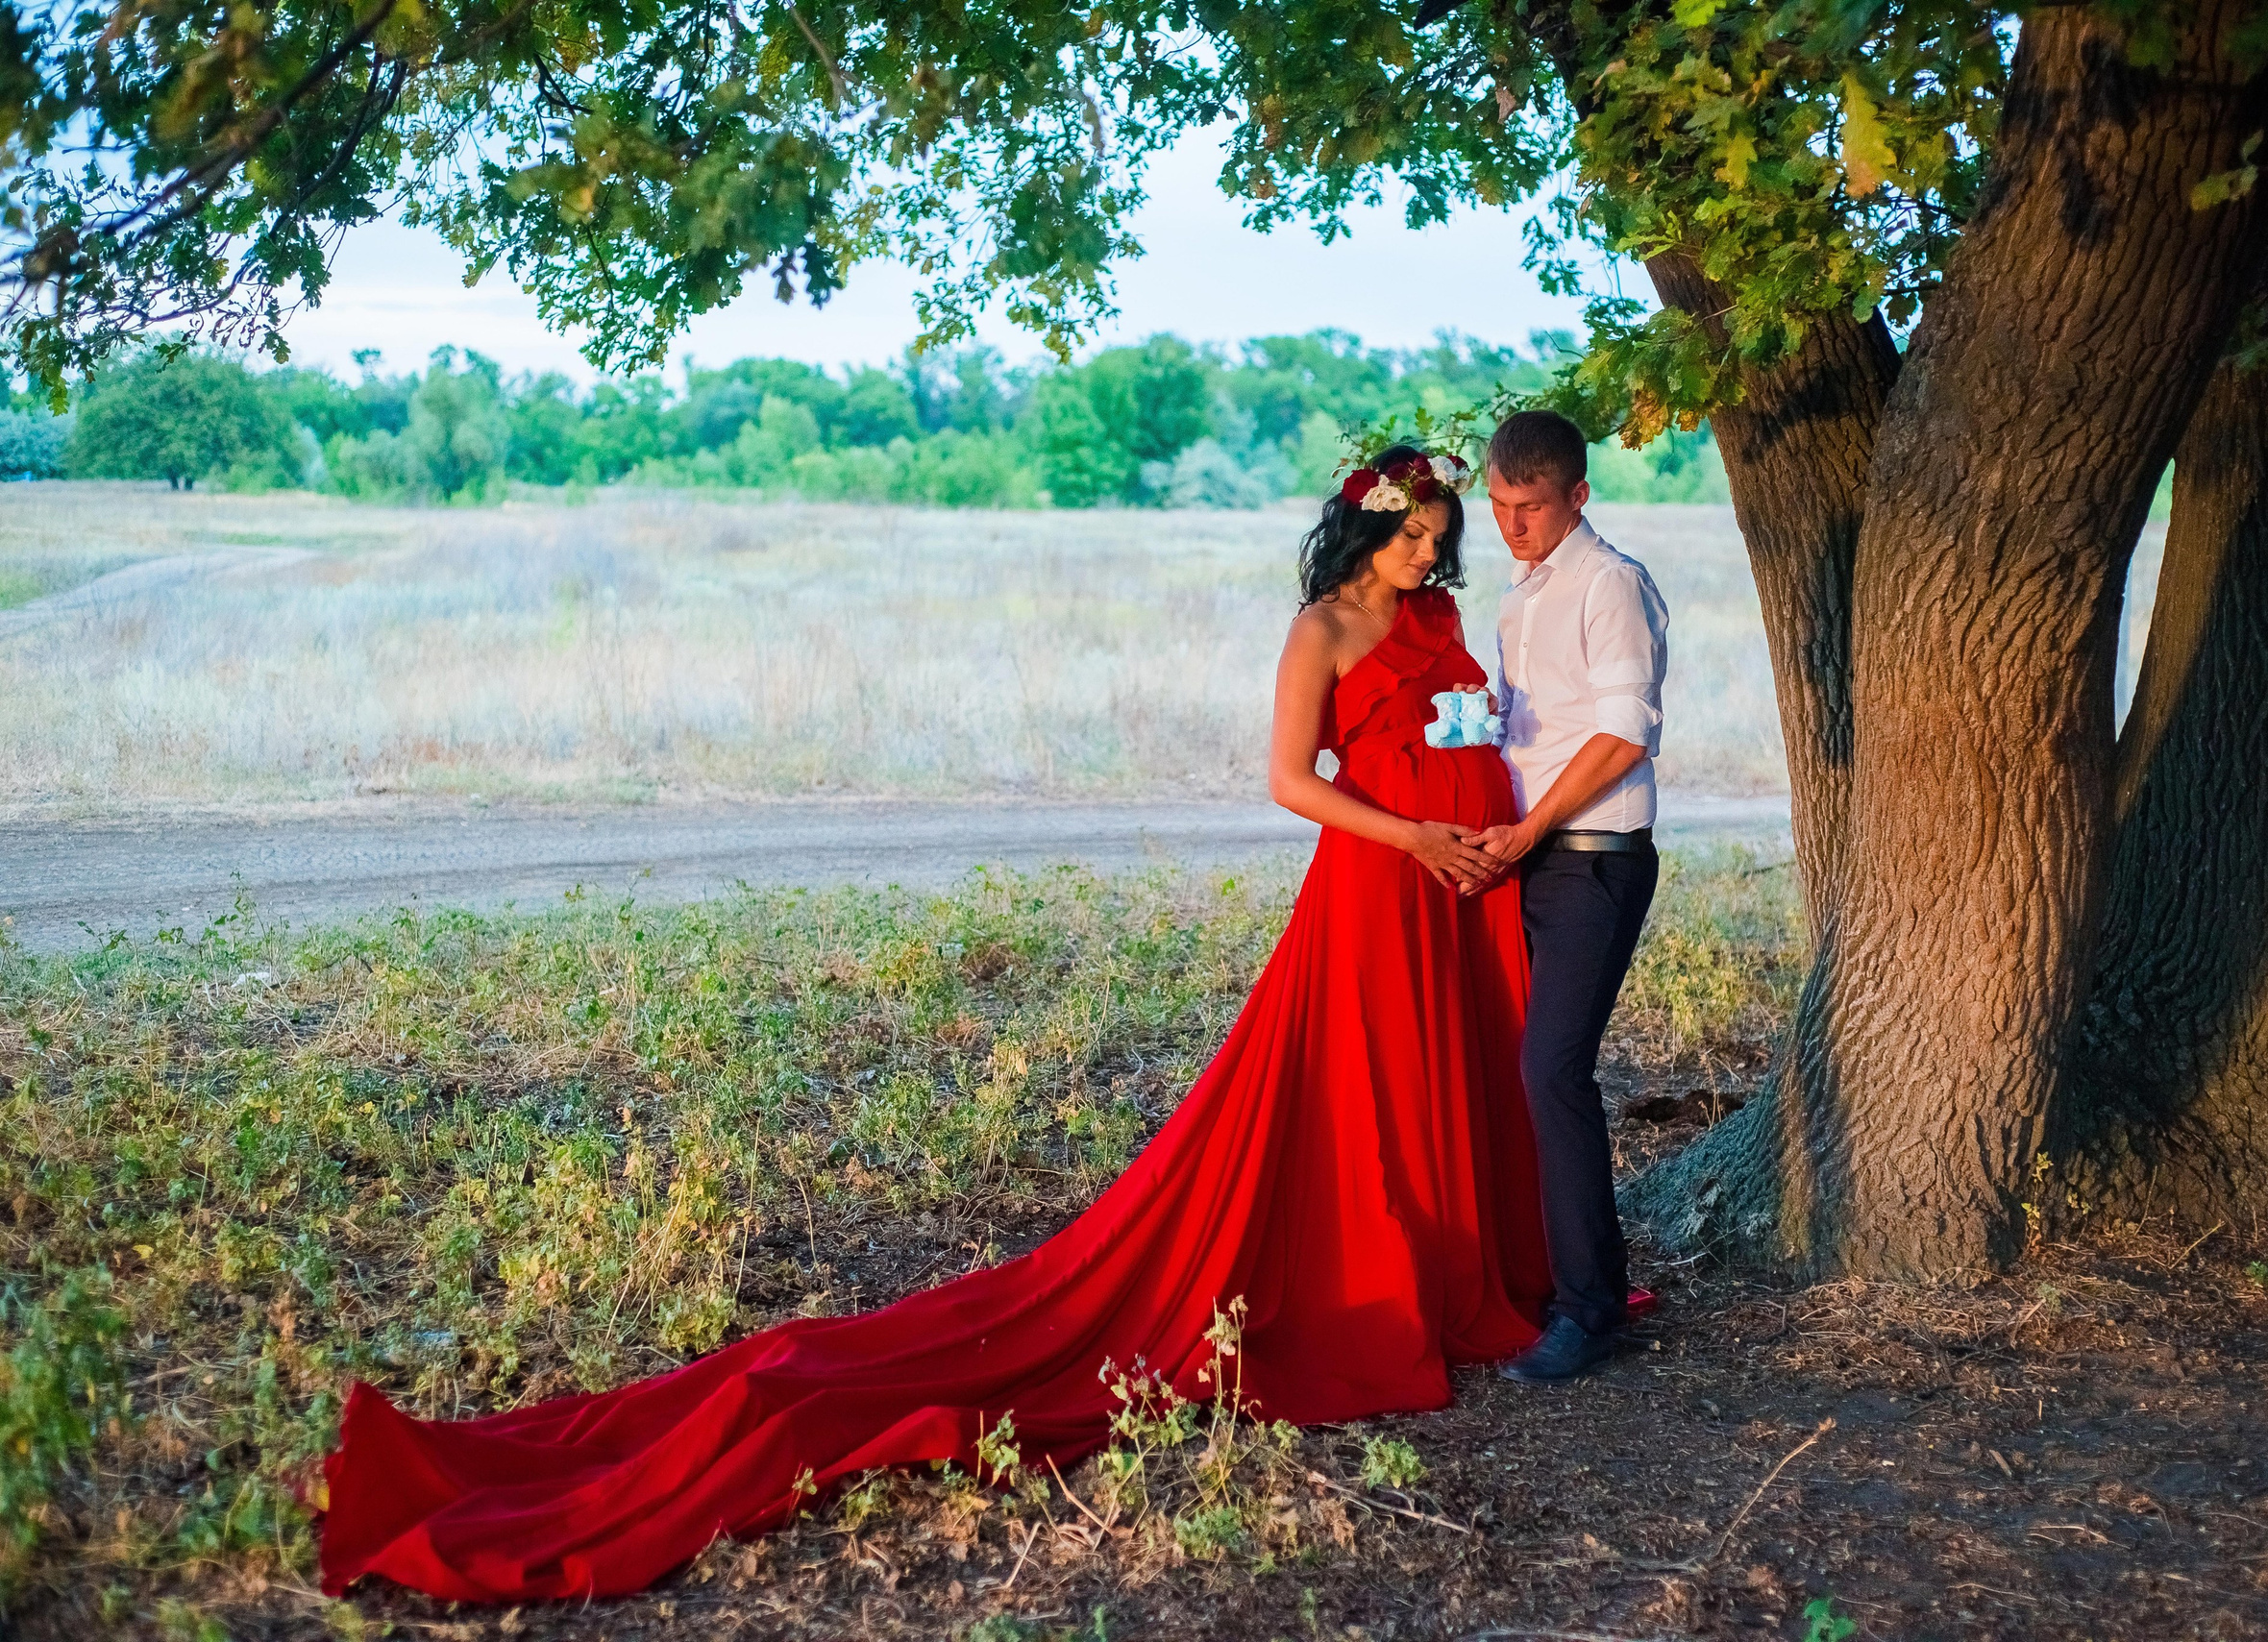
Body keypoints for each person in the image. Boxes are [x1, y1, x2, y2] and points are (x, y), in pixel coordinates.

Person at [316, 446, 1555, 1604]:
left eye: (1439, 536)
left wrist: (1482, 816)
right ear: (1363, 528)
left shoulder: (1443, 622)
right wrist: (1413, 832)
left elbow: (1465, 726)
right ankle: (1373, 1274)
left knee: (1454, 1072)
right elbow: (1291, 780)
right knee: (1359, 1082)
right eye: (1412, 534)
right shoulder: (1320, 628)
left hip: (1464, 886)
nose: (1429, 553)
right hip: (1380, 884)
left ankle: (1459, 1261)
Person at [1469, 409, 1670, 1385]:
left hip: (1594, 858)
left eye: (1532, 506)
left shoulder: (1609, 583)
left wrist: (1532, 826)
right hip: (1531, 855)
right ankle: (1532, 1273)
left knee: (1553, 1070)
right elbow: (1536, 728)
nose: (1512, 525)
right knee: (1515, 1068)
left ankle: (1591, 1309)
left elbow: (1625, 732)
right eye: (1499, 506)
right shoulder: (1522, 596)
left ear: (1578, 494)